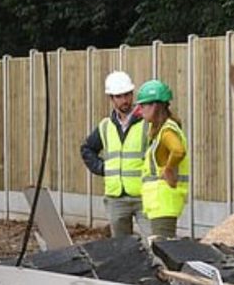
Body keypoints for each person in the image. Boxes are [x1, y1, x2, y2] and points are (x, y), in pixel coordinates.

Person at [80, 70, 148, 236]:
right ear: (111, 98)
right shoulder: (105, 126)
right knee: (121, 247)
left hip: (144, 195)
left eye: (127, 95)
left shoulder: (147, 122)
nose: (124, 100)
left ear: (132, 94)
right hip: (116, 198)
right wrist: (103, 168)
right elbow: (87, 149)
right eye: (119, 96)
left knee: (153, 242)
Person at [135, 79, 189, 238]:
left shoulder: (166, 131)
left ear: (155, 106)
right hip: (160, 203)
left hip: (164, 202)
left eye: (143, 105)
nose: (140, 110)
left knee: (162, 245)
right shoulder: (160, 130)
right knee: (160, 244)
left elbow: (178, 151)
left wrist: (169, 169)